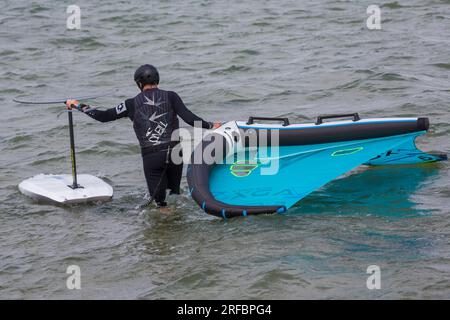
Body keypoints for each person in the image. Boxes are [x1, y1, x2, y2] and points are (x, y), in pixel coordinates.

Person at [66, 64, 220, 207]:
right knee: (175, 196)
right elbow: (190, 119)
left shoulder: (130, 103)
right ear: (157, 79)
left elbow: (104, 116)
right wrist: (212, 125)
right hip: (175, 153)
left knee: (159, 203)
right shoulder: (172, 96)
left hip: (152, 156)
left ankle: (165, 230)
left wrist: (78, 105)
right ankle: (178, 229)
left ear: (139, 84)